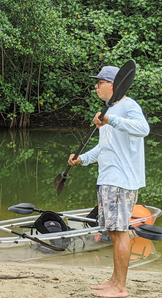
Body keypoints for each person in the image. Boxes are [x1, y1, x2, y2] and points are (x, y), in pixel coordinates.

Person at [67, 65, 149, 298]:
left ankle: (120, 287)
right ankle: (114, 280)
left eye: (99, 82)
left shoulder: (128, 106)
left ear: (112, 85)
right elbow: (104, 148)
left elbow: (143, 129)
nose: (96, 87)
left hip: (121, 181)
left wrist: (111, 119)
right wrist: (82, 159)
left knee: (120, 231)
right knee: (114, 232)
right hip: (108, 179)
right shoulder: (110, 109)